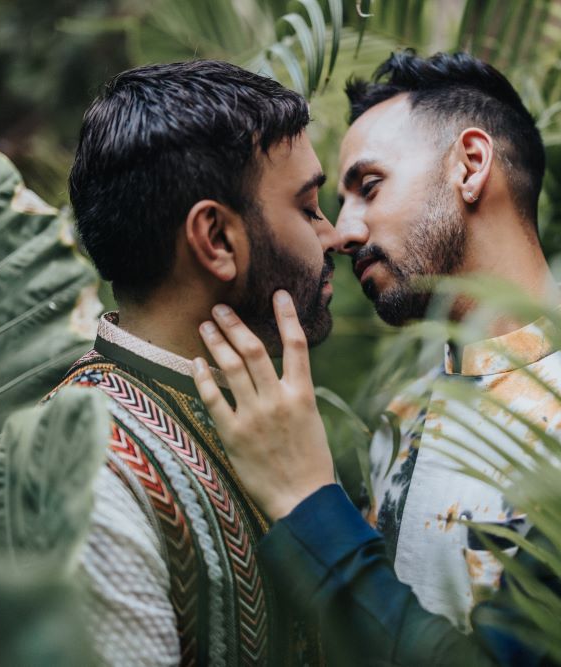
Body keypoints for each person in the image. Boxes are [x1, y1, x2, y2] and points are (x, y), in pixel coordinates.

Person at [191, 51, 561, 664]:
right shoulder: (404, 413)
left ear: (471, 165)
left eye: (369, 187)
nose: (343, 233)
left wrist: (308, 500)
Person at [46, 60, 338, 665]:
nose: (334, 235)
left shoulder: (261, 412)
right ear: (216, 239)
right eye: (309, 207)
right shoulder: (88, 478)